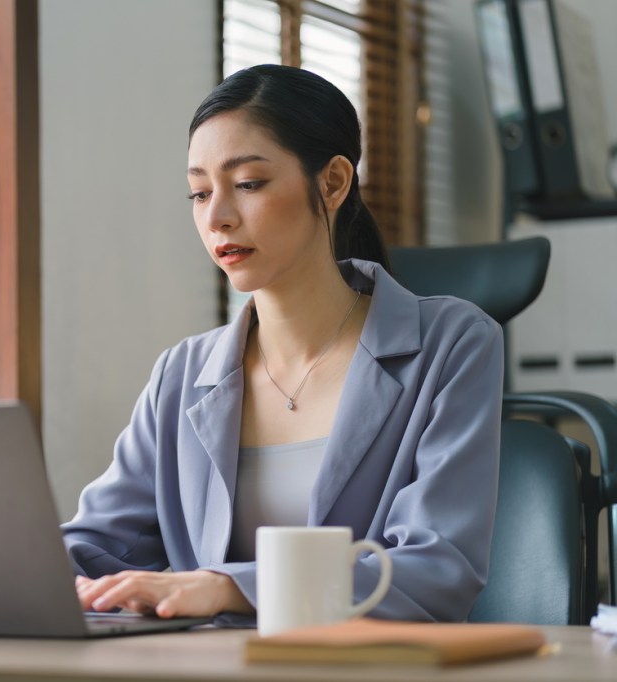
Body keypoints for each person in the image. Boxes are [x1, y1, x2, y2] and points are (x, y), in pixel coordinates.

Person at [62, 64, 504, 623]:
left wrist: (227, 588)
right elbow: (92, 547)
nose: (217, 218)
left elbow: (438, 570)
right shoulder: (181, 373)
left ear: (334, 182)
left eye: (248, 184)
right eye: (199, 193)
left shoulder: (452, 344)